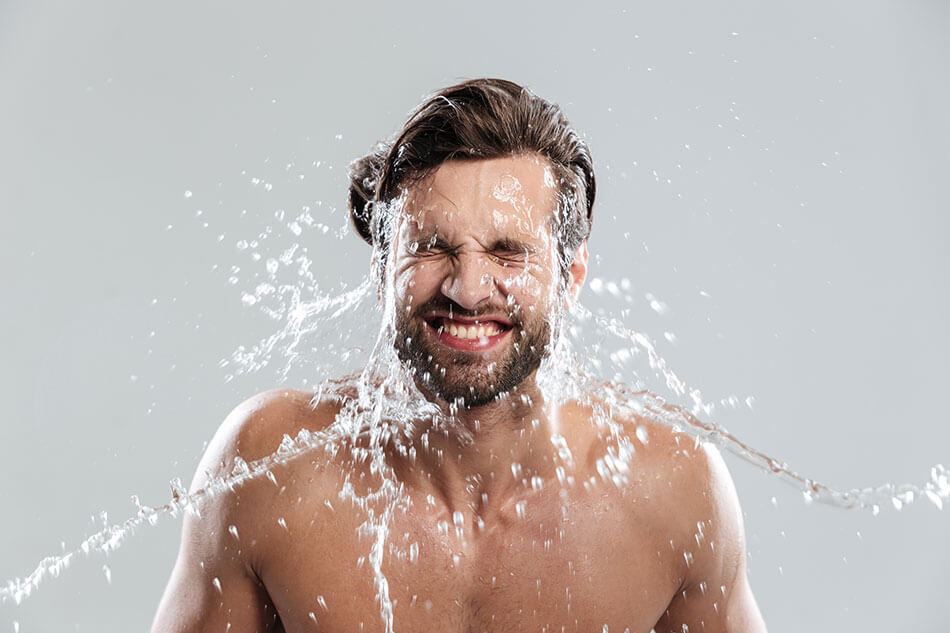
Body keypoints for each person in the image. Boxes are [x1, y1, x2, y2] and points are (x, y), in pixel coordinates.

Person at [151, 78, 767, 633]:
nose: (468, 289)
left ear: (570, 276)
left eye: (508, 251)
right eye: (431, 247)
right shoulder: (270, 465)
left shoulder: (674, 490)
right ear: (381, 269)